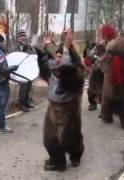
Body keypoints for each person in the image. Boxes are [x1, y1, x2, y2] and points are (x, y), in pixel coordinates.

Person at [34, 30, 85, 171]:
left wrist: (47, 47)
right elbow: (52, 62)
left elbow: (52, 62)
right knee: (63, 136)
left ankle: (63, 161)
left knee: (57, 137)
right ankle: (68, 159)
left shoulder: (65, 62)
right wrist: (51, 45)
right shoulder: (70, 61)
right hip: (62, 104)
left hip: (65, 106)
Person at [0, 33, 19, 134]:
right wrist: (12, 68)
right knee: (2, 105)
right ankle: (1, 126)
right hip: (1, 81)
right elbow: (2, 69)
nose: (4, 42)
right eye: (3, 41)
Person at [16, 29, 35, 112]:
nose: (23, 37)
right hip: (21, 71)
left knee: (28, 86)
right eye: (21, 36)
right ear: (17, 38)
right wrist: (23, 51)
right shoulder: (16, 47)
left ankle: (27, 102)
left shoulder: (28, 45)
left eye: (24, 35)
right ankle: (22, 104)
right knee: (23, 87)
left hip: (28, 70)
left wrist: (29, 50)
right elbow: (15, 57)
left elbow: (34, 53)